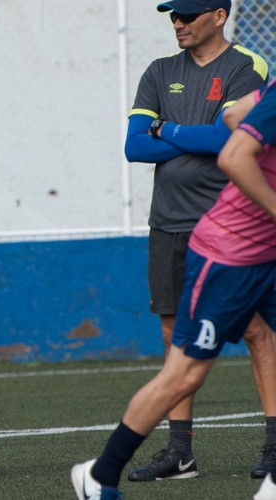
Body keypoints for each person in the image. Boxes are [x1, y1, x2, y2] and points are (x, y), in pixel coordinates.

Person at [73, 75, 276, 500]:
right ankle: (100, 475)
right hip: (227, 258)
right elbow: (234, 156)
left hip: (264, 255)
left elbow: (234, 113)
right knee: (184, 375)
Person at [123, 0, 273, 482]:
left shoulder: (247, 66)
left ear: (219, 15)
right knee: (173, 338)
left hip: (230, 227)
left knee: (257, 332)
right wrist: (191, 133)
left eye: (187, 14)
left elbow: (226, 141)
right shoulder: (158, 70)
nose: (178, 23)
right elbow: (134, 146)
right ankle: (179, 454)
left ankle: (273, 446)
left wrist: (165, 128)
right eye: (172, 16)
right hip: (167, 222)